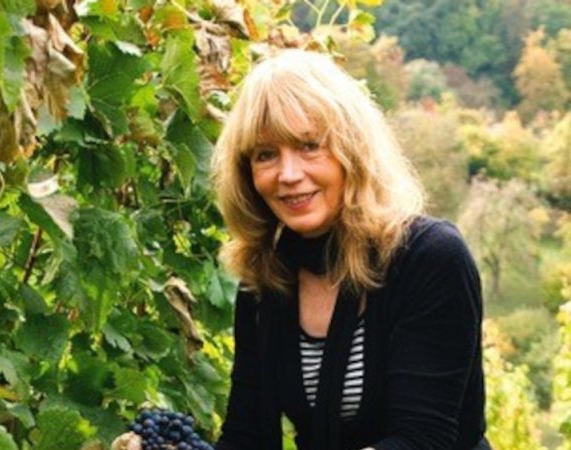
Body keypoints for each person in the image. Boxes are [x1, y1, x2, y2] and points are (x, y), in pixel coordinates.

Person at [112, 49, 488, 450]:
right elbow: (248, 437)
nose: (288, 175)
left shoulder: (430, 259)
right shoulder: (265, 284)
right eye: (266, 155)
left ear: (352, 152)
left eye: (309, 146)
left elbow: (424, 440)